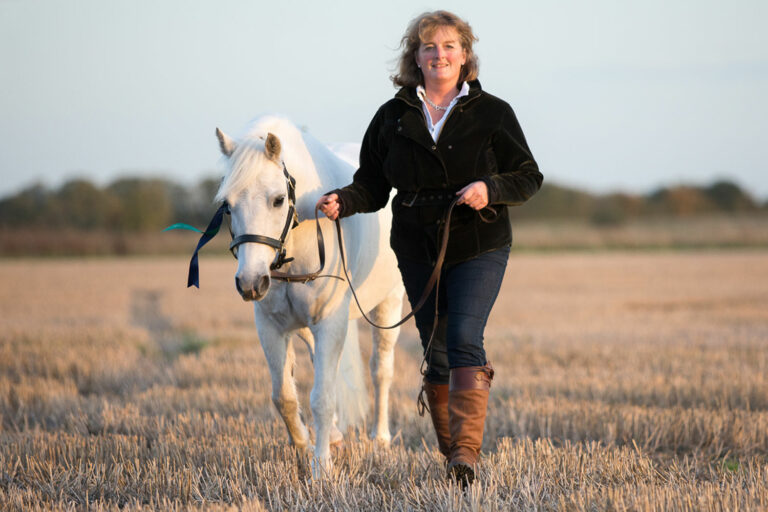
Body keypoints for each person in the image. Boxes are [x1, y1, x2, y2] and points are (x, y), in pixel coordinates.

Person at [316, 10, 542, 485]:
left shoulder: (493, 112)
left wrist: (489, 187)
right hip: (416, 246)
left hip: (479, 239)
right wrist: (344, 201)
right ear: (414, 57)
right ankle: (453, 458)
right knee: (435, 351)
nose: (439, 55)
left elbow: (528, 176)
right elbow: (372, 187)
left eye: (449, 46)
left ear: (465, 55)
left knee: (463, 336)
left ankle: (465, 453)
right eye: (429, 47)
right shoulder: (392, 116)